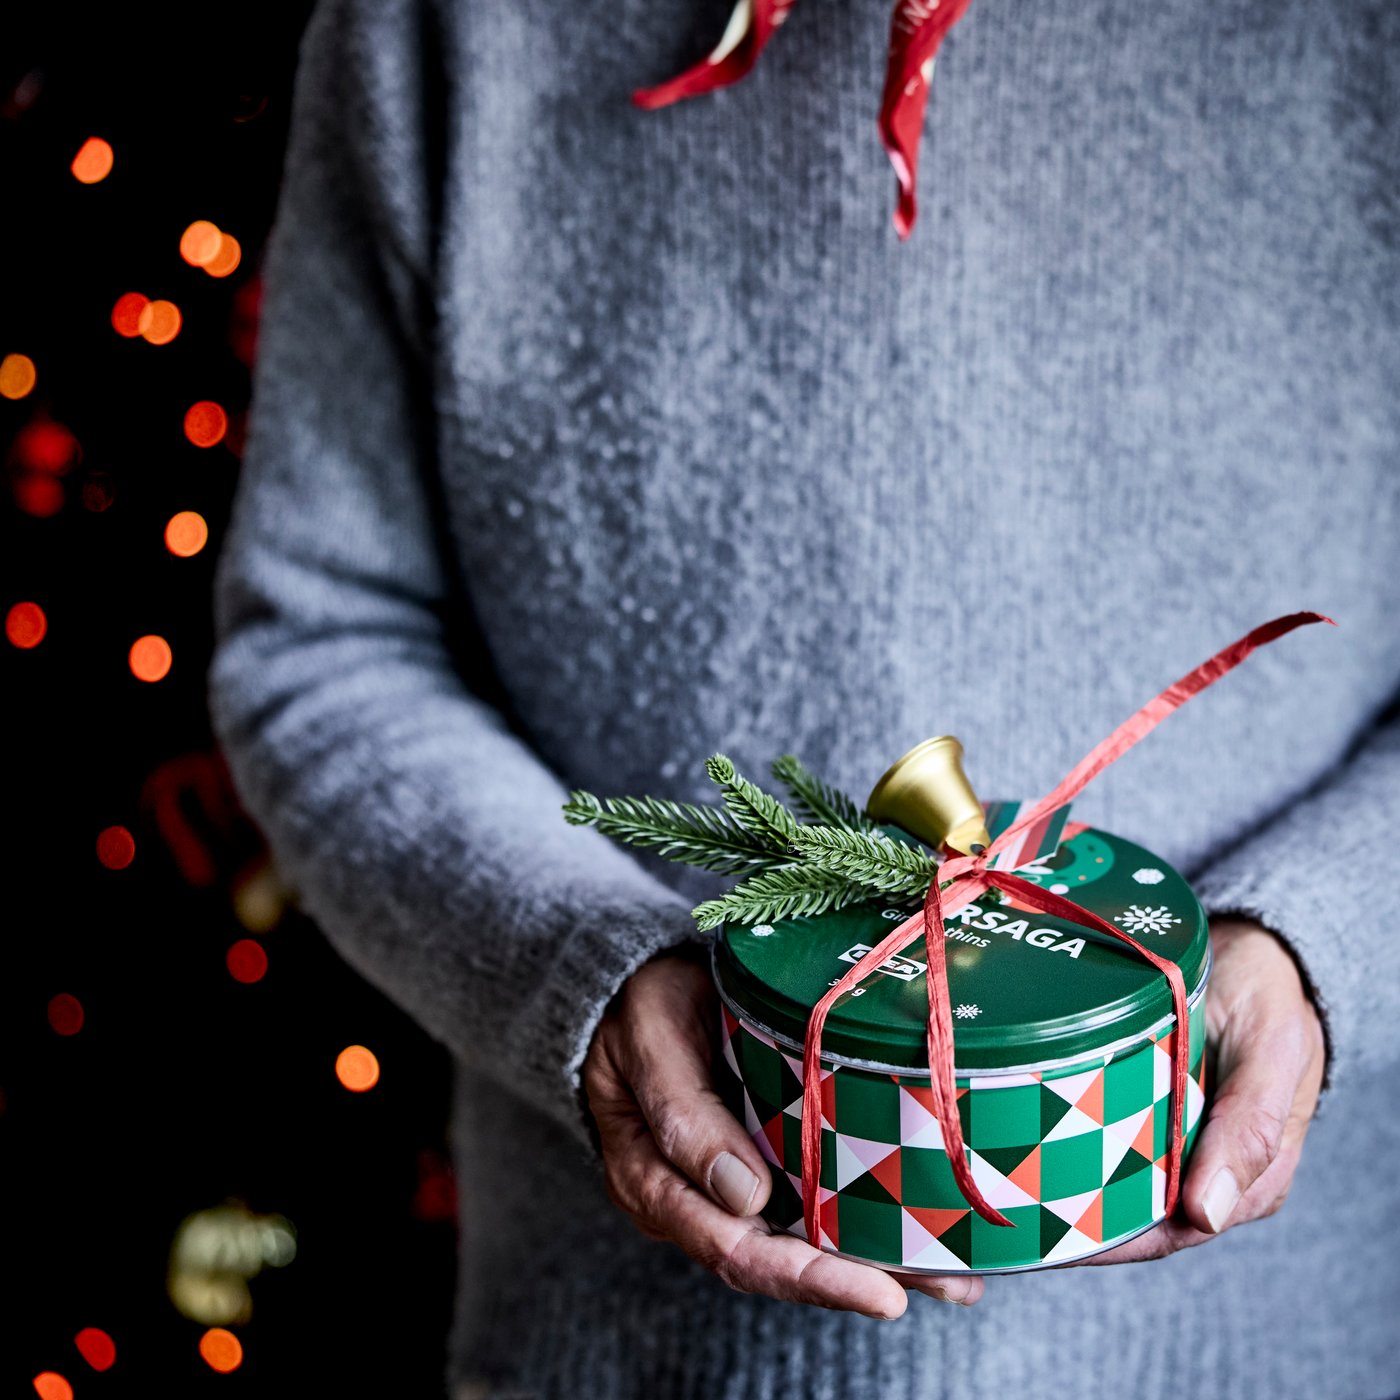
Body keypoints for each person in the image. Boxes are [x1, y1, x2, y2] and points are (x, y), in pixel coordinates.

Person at [208, 0, 1400, 1394]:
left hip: (1289, 1349)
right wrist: (580, 971)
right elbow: (323, 634)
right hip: (617, 1357)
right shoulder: (447, 29)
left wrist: (1329, 944)